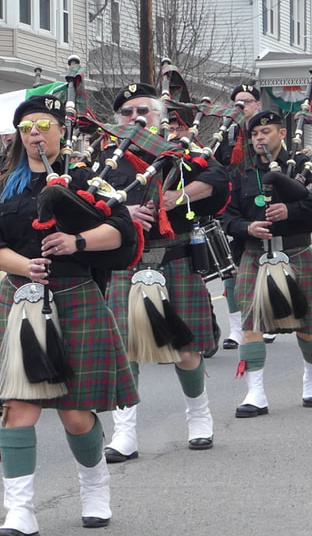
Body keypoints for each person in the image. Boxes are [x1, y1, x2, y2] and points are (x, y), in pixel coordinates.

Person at [0, 95, 138, 534]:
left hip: (75, 296)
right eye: (28, 125)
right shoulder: (3, 186)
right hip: (19, 298)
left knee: (75, 412)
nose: (35, 132)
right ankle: (20, 511)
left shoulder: (89, 177)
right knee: (19, 407)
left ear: (59, 132)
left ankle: (94, 487)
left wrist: (77, 243)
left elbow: (123, 231)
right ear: (19, 134)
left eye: (44, 124)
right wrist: (23, 265)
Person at [102, 83, 228, 460]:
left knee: (185, 348)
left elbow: (221, 181)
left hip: (173, 260)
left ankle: (199, 416)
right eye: (126, 112)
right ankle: (124, 433)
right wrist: (120, 213)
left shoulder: (183, 152)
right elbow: (83, 202)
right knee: (125, 351)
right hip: (126, 262)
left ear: (160, 117)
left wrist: (182, 194)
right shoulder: (106, 160)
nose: (135, 117)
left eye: (144, 110)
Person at [222, 110, 312, 417]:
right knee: (251, 325)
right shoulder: (241, 173)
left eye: (266, 132)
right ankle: (256, 393)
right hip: (254, 255)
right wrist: (246, 227)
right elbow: (226, 215)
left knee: (307, 325)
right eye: (255, 134)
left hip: (296, 251)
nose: (260, 138)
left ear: (281, 134)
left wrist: (293, 210)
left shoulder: (302, 165)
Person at [219, 84, 262, 350]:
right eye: (237, 102)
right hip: (233, 208)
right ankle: (236, 327)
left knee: (264, 268)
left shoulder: (266, 131)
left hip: (260, 205)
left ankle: (263, 320)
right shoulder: (227, 134)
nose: (242, 106)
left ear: (257, 104)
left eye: (247, 101)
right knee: (230, 270)